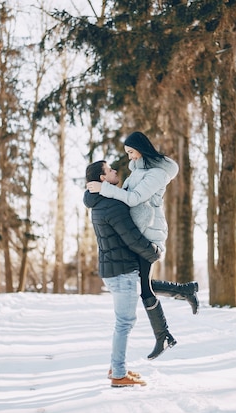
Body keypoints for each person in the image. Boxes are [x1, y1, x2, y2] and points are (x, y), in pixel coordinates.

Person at [86, 131, 199, 360]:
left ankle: (164, 335)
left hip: (149, 236)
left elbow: (133, 198)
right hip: (138, 234)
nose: (130, 158)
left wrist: (103, 190)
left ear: (141, 148)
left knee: (145, 289)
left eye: (131, 152)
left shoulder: (157, 174)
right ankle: (184, 293)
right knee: (143, 285)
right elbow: (123, 196)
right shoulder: (136, 172)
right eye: (127, 154)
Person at [83, 160, 161, 388]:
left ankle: (117, 366)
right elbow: (132, 237)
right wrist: (153, 252)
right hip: (122, 270)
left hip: (113, 269)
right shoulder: (112, 206)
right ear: (102, 179)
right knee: (125, 323)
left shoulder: (99, 203)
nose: (115, 171)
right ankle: (118, 374)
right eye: (110, 170)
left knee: (123, 322)